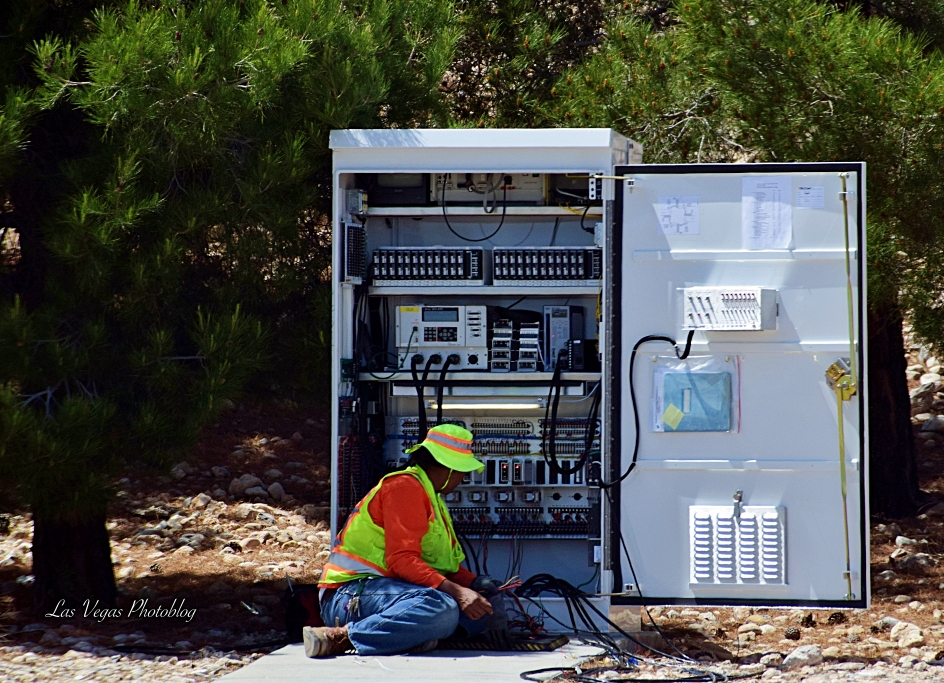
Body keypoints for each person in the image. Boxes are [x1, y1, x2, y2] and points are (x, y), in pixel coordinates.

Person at [305, 423, 506, 657]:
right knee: (443, 608)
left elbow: (440, 568)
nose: (463, 478)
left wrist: (478, 585)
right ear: (448, 468)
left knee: (481, 612)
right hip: (352, 593)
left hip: (394, 595)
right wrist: (459, 593)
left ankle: (408, 636)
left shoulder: (430, 496)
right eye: (462, 471)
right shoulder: (403, 487)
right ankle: (340, 638)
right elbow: (401, 561)